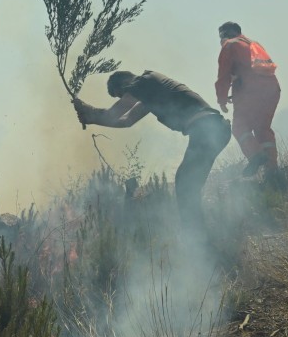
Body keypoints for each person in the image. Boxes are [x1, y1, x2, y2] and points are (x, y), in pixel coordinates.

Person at [73, 71, 232, 229]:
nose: (124, 98)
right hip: (214, 129)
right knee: (188, 184)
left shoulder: (144, 81)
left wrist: (89, 111)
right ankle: (201, 235)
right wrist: (93, 119)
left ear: (124, 84)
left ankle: (195, 237)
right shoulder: (150, 92)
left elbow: (113, 113)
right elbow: (126, 120)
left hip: (206, 129)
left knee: (185, 183)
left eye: (120, 94)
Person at [214, 21, 282, 178]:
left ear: (224, 35)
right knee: (262, 129)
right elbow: (251, 72)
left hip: (251, 92)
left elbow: (223, 76)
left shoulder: (229, 45)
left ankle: (256, 156)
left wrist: (222, 99)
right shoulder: (254, 44)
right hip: (272, 90)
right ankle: (272, 171)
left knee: (239, 127)